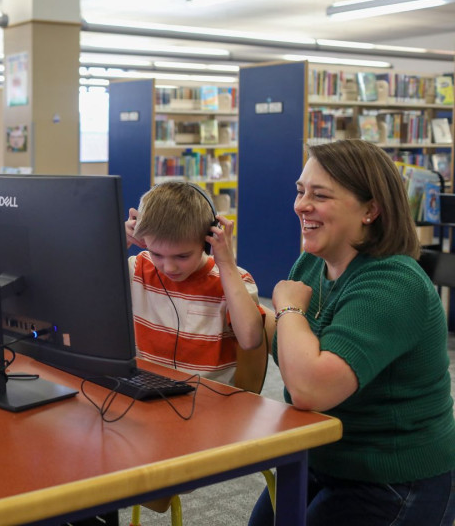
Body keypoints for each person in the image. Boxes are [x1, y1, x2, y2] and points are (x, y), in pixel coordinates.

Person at [249, 139, 455, 526]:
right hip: (319, 453)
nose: (300, 205)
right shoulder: (312, 264)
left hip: (392, 476)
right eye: (300, 191)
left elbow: (312, 388)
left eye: (319, 195)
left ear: (371, 210)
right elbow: (297, 350)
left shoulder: (392, 283)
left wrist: (289, 307)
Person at [125, 180, 264, 384]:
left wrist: (225, 263)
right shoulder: (136, 269)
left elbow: (251, 339)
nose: (169, 267)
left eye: (182, 256)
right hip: (147, 394)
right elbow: (86, 299)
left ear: (207, 240)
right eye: (157, 254)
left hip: (208, 403)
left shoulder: (234, 280)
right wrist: (118, 242)